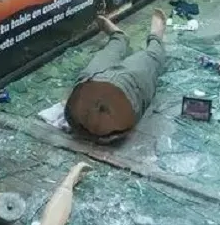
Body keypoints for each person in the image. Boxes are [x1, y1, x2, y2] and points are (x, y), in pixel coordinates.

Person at [64, 10, 168, 142]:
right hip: (130, 84)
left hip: (91, 78)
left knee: (111, 51)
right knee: (151, 57)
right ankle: (155, 39)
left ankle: (119, 37)